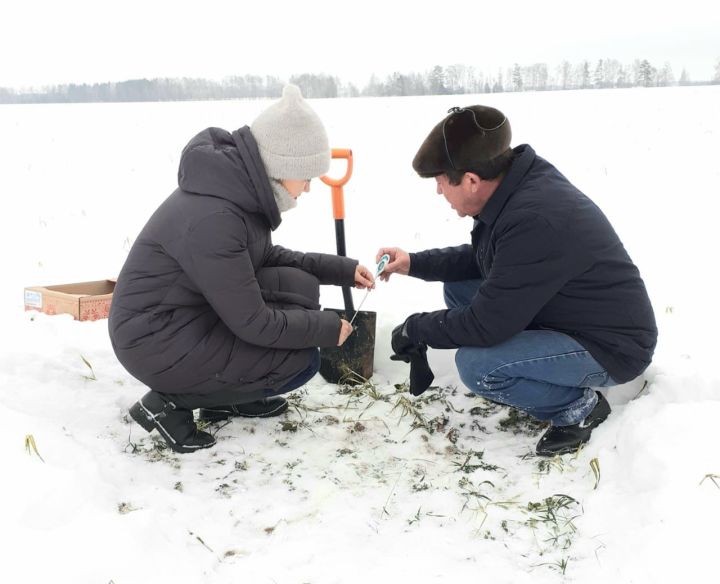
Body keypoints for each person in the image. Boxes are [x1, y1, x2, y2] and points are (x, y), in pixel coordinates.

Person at [379, 104, 657, 456]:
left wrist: (416, 328)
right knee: (459, 288)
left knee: (477, 366)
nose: (438, 192)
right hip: (568, 313)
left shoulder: (535, 217)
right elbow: (488, 259)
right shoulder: (514, 186)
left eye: (440, 182)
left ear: (471, 180)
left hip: (610, 346)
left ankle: (580, 409)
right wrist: (413, 263)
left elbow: (486, 325)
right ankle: (533, 370)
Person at [109, 84, 374, 453]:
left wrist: (342, 270)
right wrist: (325, 328)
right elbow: (254, 322)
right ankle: (168, 405)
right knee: (301, 360)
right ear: (283, 167)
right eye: (307, 177)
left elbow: (263, 257)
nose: (309, 188)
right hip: (156, 340)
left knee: (298, 284)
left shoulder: (237, 193)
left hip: (185, 317)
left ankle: (231, 397)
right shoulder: (217, 217)